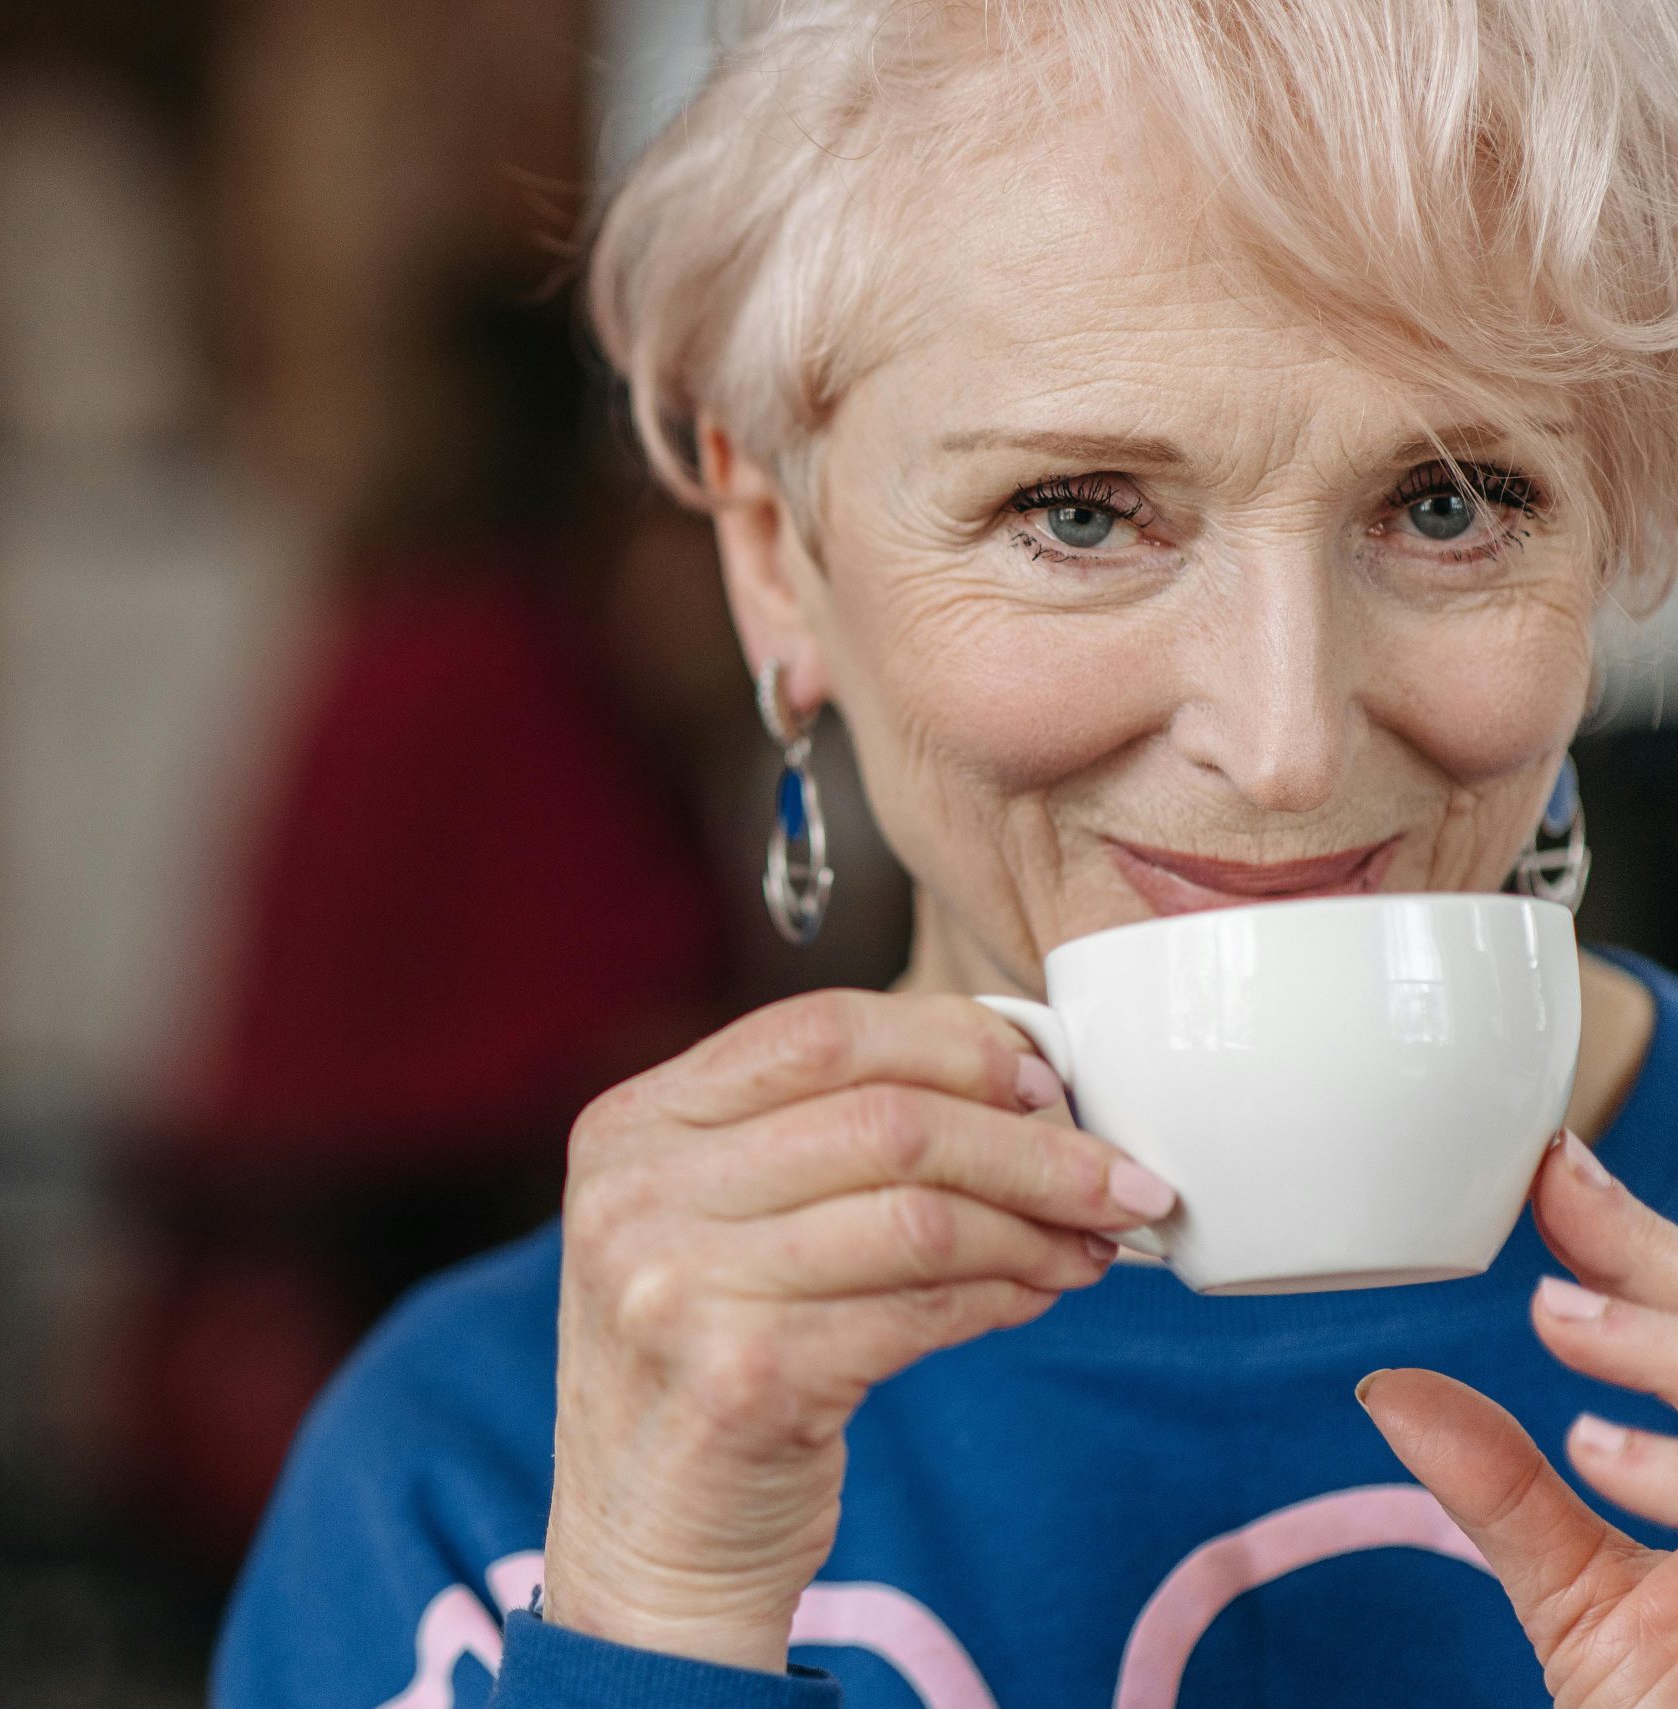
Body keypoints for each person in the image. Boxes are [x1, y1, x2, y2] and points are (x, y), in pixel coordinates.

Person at [213, 1, 1678, 1704]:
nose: (1285, 745)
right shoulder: (478, 1474)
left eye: (1451, 504)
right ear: (777, 560)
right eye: (1077, 512)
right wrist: (655, 1605)